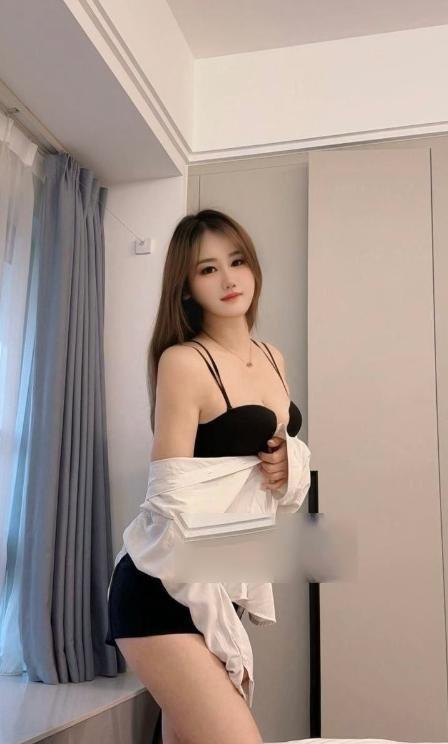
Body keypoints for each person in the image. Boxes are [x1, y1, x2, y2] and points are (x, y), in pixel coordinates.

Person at [105, 209, 303, 744]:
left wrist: (289, 463)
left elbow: (267, 459)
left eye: (236, 262)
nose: (229, 279)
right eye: (208, 269)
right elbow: (169, 495)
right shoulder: (184, 362)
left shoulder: (273, 357)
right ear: (187, 286)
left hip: (223, 582)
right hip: (163, 587)